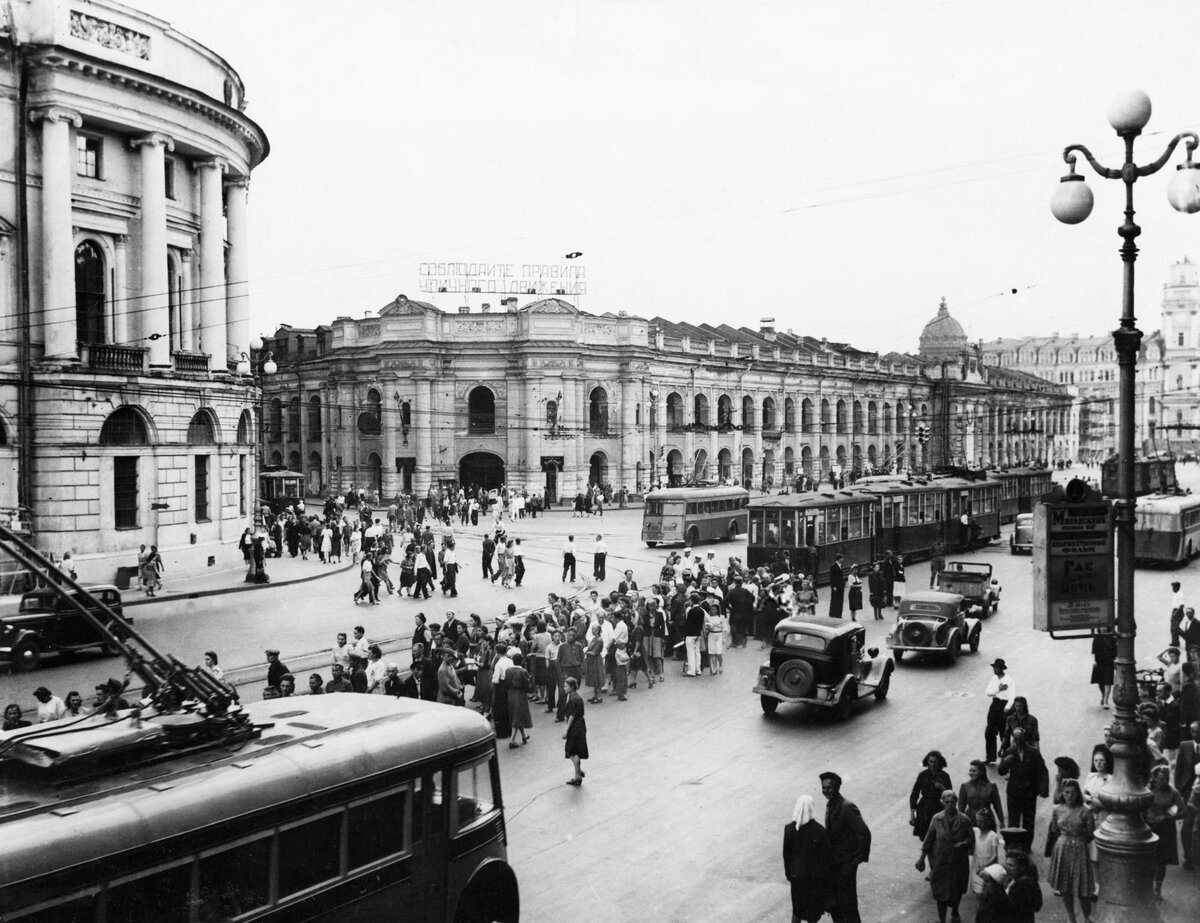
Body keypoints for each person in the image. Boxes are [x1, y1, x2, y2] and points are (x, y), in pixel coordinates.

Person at [915, 790, 973, 923]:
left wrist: (963, 843)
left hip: (959, 861)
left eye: (952, 802)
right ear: (942, 802)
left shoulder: (964, 819)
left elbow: (971, 839)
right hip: (941, 861)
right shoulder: (937, 819)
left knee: (957, 888)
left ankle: (955, 912)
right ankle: (942, 920)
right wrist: (921, 858)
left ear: (956, 802)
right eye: (946, 802)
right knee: (940, 891)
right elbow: (928, 840)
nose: (950, 805)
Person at [821, 771, 871, 923]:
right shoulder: (831, 804)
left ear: (837, 787)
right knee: (836, 902)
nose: (825, 791)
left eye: (829, 787)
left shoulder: (847, 807)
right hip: (835, 862)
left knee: (847, 903)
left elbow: (864, 833)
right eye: (823, 788)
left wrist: (858, 858)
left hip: (846, 863)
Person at [1046, 778, 1095, 923]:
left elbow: (1091, 833)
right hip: (1062, 846)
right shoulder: (1057, 809)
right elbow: (1054, 829)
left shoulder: (1085, 811)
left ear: (1078, 794)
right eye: (1067, 792)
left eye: (1073, 793)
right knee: (1064, 886)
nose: (1070, 796)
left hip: (1079, 847)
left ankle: (1087, 917)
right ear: (1062, 793)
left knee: (1082, 887)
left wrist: (1079, 841)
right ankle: (1071, 917)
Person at [782, 794, 833, 923]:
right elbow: (825, 860)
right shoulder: (820, 831)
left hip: (797, 877)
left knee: (797, 911)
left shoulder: (789, 829)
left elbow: (786, 855)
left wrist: (790, 874)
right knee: (813, 913)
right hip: (814, 879)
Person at [1145, 764, 1185, 900]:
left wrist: (1168, 817)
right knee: (1148, 860)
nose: (1164, 782)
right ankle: (1147, 888)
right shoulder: (1147, 790)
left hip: (1166, 830)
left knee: (1161, 862)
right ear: (1154, 778)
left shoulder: (1173, 792)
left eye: (1166, 779)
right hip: (1149, 829)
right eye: (1161, 779)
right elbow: (1140, 807)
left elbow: (1183, 811)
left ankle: (1157, 890)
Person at [998, 727, 1048, 834]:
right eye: (1015, 739)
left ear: (1024, 738)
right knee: (1013, 821)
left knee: (1028, 822)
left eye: (1020, 738)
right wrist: (1005, 762)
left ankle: (1026, 846)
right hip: (1013, 793)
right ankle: (1013, 845)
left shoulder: (1033, 752)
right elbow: (1001, 772)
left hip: (1029, 792)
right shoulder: (1009, 751)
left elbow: (1042, 771)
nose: (1018, 741)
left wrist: (1043, 789)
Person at [910, 750, 953, 840]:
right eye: (931, 761)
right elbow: (915, 793)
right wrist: (912, 813)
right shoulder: (923, 775)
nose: (933, 764)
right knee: (925, 837)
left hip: (938, 808)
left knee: (938, 837)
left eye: (935, 762)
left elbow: (950, 796)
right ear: (927, 762)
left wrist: (942, 788)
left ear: (939, 762)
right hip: (924, 808)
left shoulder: (945, 776)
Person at [1176, 720, 1200, 869]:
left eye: (1198, 731)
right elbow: (1178, 769)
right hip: (1187, 794)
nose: (1196, 734)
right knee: (1187, 826)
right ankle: (1188, 856)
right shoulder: (1184, 746)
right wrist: (1179, 789)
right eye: (1193, 731)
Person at [984, 658, 1015, 763]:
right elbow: (989, 692)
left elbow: (1012, 696)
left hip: (1004, 706)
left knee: (1004, 734)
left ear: (1002, 669)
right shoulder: (993, 678)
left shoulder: (1009, 680)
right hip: (995, 705)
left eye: (997, 668)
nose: (995, 669)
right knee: (989, 732)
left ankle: (1006, 759)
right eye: (994, 667)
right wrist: (998, 689)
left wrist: (1007, 708)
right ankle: (990, 757)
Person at [958, 759, 1004, 829]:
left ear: (981, 772)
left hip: (987, 819)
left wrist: (1001, 821)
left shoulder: (991, 786)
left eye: (974, 771)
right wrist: (961, 823)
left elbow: (997, 806)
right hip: (971, 819)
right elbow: (961, 807)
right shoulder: (964, 786)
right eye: (970, 771)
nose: (971, 773)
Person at [971, 809, 1004, 900]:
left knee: (986, 893)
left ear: (988, 821)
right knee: (977, 893)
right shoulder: (975, 831)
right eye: (977, 821)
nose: (979, 823)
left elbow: (994, 855)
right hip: (976, 866)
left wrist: (984, 867)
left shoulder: (992, 835)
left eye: (982, 821)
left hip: (987, 867)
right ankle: (979, 913)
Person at [562, 676, 587, 785]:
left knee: (572, 751)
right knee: (574, 750)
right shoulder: (574, 696)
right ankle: (578, 771)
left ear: (571, 687)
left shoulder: (573, 699)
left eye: (566, 686)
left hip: (575, 726)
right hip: (580, 725)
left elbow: (571, 716)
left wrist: (566, 730)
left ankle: (577, 776)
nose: (564, 688)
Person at [506, 652, 532, 746]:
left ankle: (524, 735)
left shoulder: (508, 670)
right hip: (520, 694)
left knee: (515, 714)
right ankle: (512, 740)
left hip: (511, 693)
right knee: (517, 716)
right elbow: (528, 686)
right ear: (522, 661)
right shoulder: (523, 671)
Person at [1090, 629, 1117, 708]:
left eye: (1104, 627)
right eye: (1101, 627)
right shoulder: (1097, 637)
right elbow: (1094, 651)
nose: (1103, 628)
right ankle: (1103, 694)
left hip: (1109, 662)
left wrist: (1114, 660)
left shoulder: (1111, 637)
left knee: (1108, 681)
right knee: (1100, 681)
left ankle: (1106, 700)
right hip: (1099, 662)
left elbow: (1115, 650)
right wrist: (1094, 662)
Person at [828, 553, 846, 618]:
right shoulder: (834, 566)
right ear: (839, 559)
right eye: (842, 558)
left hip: (840, 586)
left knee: (840, 600)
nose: (843, 559)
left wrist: (843, 583)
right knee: (835, 600)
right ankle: (833, 614)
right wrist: (833, 586)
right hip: (836, 587)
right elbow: (832, 577)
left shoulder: (840, 566)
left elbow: (841, 577)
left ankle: (839, 614)